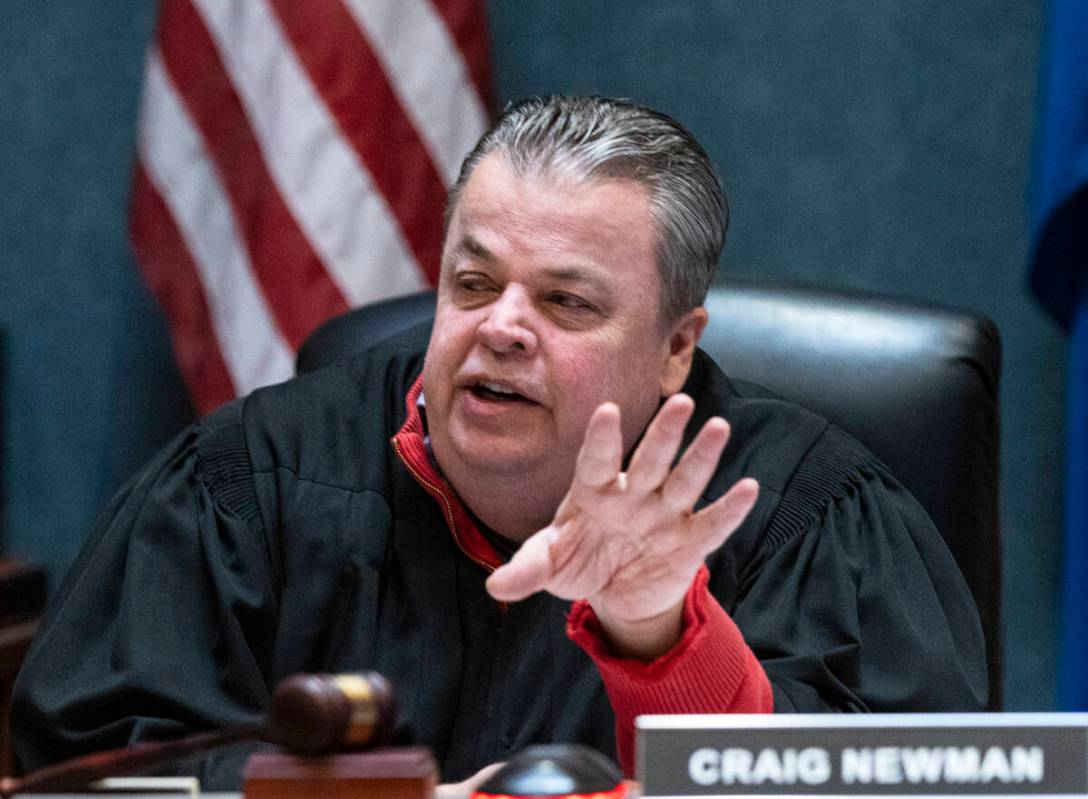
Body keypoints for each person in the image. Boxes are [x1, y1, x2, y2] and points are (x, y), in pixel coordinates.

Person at [11, 96, 986, 791]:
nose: (501, 327)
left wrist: (659, 632)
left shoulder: (809, 516)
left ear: (673, 347)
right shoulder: (244, 485)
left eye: (564, 301)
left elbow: (904, 785)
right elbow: (88, 768)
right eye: (472, 284)